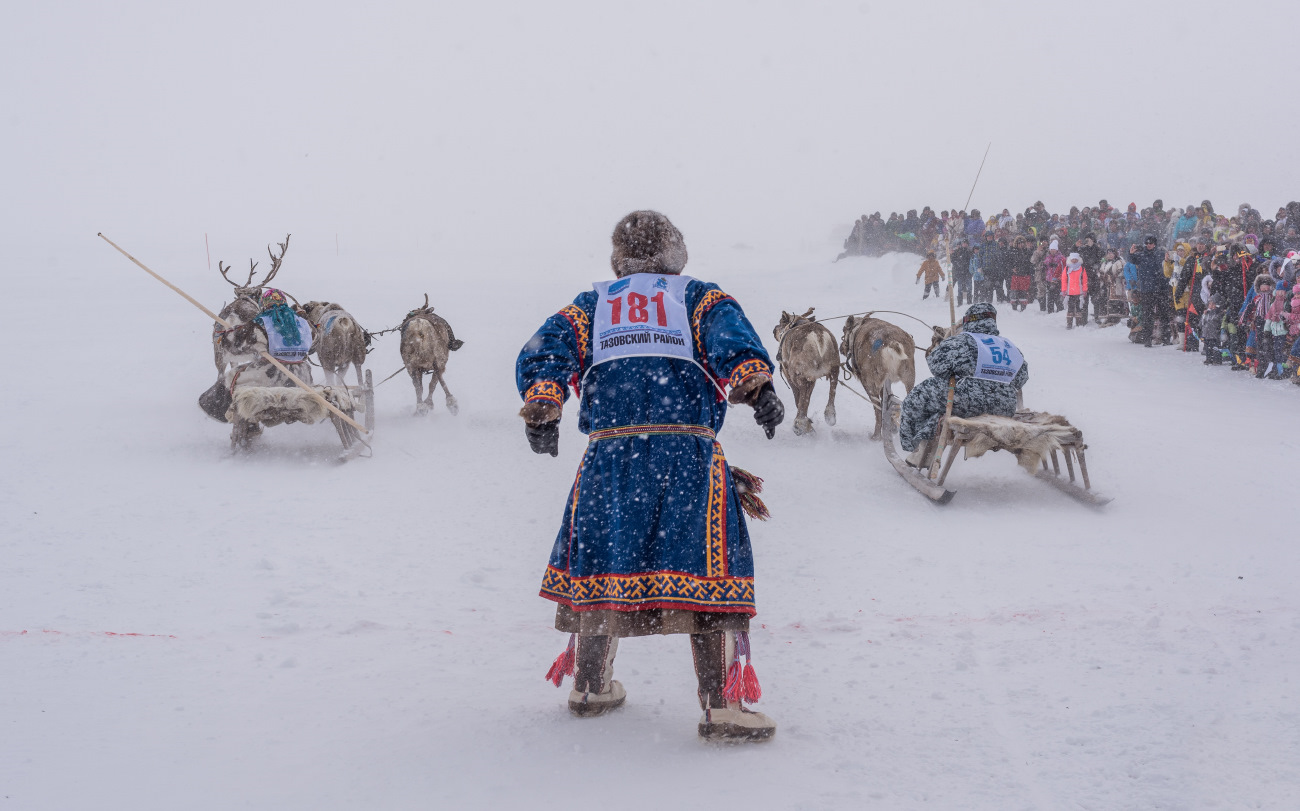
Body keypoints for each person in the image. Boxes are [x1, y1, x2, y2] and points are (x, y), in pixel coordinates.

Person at [515, 210, 783, 742]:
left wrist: (544, 404)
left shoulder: (592, 305)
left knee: (603, 560)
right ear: (675, 253)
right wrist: (758, 388)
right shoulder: (697, 298)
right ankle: (723, 704)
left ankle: (591, 685)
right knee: (710, 572)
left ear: (619, 257)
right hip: (686, 458)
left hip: (611, 462)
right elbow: (732, 339)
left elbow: (548, 348)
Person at [899, 303, 1029, 465]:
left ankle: (915, 446)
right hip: (1004, 408)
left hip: (966, 403)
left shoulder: (963, 341)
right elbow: (1021, 378)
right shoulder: (1010, 346)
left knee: (918, 398)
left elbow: (936, 366)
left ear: (969, 321)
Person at [216, 288, 316, 446]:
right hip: (302, 377)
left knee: (232, 378)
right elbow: (312, 345)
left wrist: (229, 334)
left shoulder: (261, 323)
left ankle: (247, 420)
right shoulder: (303, 323)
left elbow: (237, 346)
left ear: (264, 304)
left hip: (271, 376)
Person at [1131, 236, 1173, 346]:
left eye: (1151, 243)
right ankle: (1147, 338)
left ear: (1155, 244)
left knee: (1164, 314)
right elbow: (1132, 259)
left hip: (1161, 287)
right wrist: (1130, 253)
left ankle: (1166, 338)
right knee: (1147, 315)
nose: (1149, 245)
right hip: (1147, 289)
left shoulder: (1160, 254)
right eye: (1147, 243)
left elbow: (1168, 264)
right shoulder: (1141, 255)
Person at [1061, 253, 1089, 329]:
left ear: (1078, 259)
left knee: (1079, 308)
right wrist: (1063, 290)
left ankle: (1078, 323)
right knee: (1070, 308)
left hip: (1079, 292)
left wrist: (1085, 290)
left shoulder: (1082, 269)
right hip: (1069, 292)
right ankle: (1069, 324)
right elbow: (1064, 280)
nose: (1074, 261)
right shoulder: (1067, 268)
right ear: (1070, 259)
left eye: (1075, 259)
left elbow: (1084, 280)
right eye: (1072, 259)